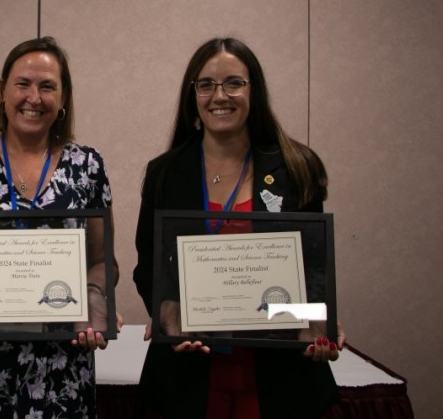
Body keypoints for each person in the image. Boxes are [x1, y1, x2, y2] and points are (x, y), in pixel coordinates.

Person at [133, 37, 345, 419]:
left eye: (234, 82)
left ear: (254, 91)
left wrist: (318, 318)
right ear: (193, 95)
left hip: (279, 378)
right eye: (206, 84)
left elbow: (313, 268)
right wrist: (167, 314)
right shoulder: (165, 172)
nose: (220, 95)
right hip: (188, 377)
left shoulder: (298, 167)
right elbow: (148, 264)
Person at [0, 37, 119, 419]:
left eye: (47, 86)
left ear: (63, 97)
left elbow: (102, 262)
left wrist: (96, 306)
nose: (34, 97)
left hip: (61, 367)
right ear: (3, 90)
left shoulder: (89, 166)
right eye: (23, 84)